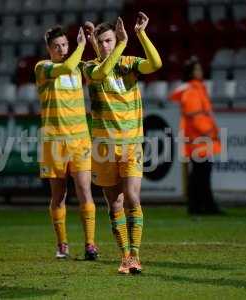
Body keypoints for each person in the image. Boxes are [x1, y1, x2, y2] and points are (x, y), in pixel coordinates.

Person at [83, 12, 162, 274]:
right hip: (103, 148)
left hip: (131, 144)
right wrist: (121, 44)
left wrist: (141, 35)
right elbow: (104, 71)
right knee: (114, 204)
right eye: (101, 41)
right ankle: (125, 255)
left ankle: (135, 256)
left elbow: (156, 63)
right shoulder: (89, 68)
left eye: (109, 40)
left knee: (132, 197)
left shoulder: (128, 63)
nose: (105, 45)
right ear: (95, 43)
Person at [34, 26, 98, 260]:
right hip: (55, 142)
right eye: (57, 46)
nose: (62, 49)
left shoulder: (77, 68)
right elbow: (68, 66)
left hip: (80, 139)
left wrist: (91, 41)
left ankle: (90, 244)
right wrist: (81, 46)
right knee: (59, 195)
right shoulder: (43, 68)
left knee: (84, 190)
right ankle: (62, 245)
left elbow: (98, 68)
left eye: (65, 45)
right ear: (49, 49)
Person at [169, 56, 222, 215]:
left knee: (199, 173)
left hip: (198, 139)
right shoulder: (192, 91)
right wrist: (210, 131)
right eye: (197, 69)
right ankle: (201, 206)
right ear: (191, 72)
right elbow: (195, 115)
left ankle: (200, 205)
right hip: (199, 139)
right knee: (201, 174)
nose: (200, 71)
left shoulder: (195, 89)